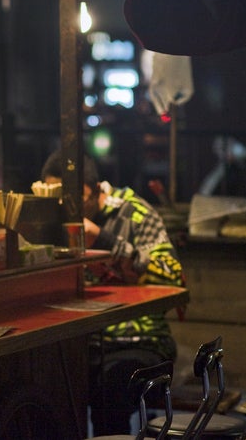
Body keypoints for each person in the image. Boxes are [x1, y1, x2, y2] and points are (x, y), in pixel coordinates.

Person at [40, 150, 184, 436]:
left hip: (138, 342)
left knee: (110, 390)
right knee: (46, 386)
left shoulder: (136, 213)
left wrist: (103, 241)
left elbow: (173, 277)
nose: (67, 208)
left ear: (95, 189)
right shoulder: (50, 218)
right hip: (79, 343)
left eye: (75, 199)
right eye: (58, 199)